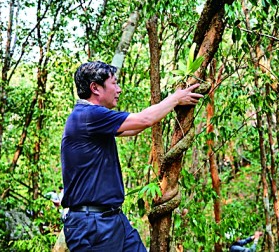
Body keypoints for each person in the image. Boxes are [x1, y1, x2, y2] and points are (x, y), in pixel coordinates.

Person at [61, 61, 204, 251]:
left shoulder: (93, 120)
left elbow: (135, 128)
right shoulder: (87, 115)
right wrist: (176, 98)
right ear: (95, 88)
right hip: (92, 225)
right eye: (114, 83)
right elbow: (144, 120)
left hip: (111, 219)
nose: (119, 89)